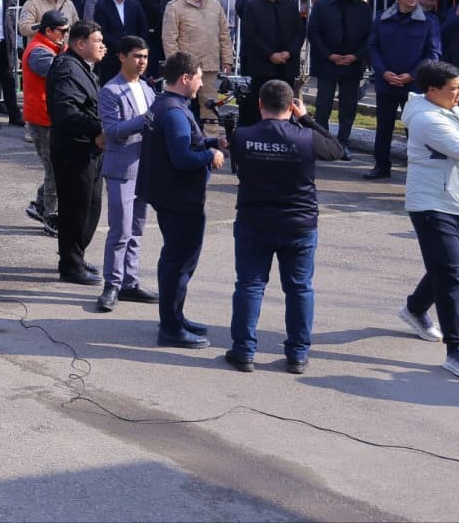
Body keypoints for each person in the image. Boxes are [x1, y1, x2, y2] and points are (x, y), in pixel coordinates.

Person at [225, 79, 344, 373]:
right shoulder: (306, 137)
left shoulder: (243, 135)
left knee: (250, 286)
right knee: (300, 289)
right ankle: (298, 354)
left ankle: (243, 351)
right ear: (292, 106)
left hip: (254, 221)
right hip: (298, 224)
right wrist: (306, 119)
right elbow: (336, 149)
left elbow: (237, 162)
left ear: (259, 104)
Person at [137, 51, 226, 348]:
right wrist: (210, 155)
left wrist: (212, 141)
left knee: (174, 260)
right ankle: (171, 327)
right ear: (185, 78)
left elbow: (181, 142)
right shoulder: (175, 112)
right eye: (198, 77)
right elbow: (182, 158)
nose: (201, 83)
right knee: (180, 263)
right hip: (180, 199)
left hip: (167, 195)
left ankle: (174, 316)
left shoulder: (163, 104)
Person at [394, 61, 459, 377]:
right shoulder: (427, 119)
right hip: (432, 206)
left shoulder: (451, 110)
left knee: (450, 269)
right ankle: (457, 350)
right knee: (450, 276)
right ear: (432, 90)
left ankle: (415, 309)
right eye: (454, 88)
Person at [96, 35, 157, 312]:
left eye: (145, 56)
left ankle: (130, 282)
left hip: (145, 168)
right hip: (122, 169)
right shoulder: (111, 90)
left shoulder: (147, 88)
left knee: (137, 229)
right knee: (120, 230)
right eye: (137, 56)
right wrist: (144, 120)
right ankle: (112, 284)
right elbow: (112, 131)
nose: (142, 62)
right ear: (122, 57)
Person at [363, 0, 443, 182]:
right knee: (384, 127)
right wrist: (383, 72)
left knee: (415, 130)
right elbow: (373, 47)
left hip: (415, 85)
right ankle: (381, 166)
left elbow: (433, 53)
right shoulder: (382, 18)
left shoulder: (429, 21)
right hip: (386, 82)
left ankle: (417, 170)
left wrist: (412, 75)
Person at [46, 21, 106, 285]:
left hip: (90, 149)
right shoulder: (67, 68)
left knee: (90, 207)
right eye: (97, 41)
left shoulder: (82, 67)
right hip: (74, 150)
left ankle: (76, 256)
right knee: (75, 209)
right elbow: (66, 112)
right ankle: (70, 265)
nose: (103, 46)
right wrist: (97, 129)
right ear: (80, 44)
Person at [306, 0, 372, 157]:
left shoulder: (362, 7)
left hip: (352, 64)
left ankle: (343, 143)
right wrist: (329, 55)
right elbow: (314, 33)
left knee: (348, 106)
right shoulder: (322, 6)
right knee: (323, 105)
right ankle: (323, 143)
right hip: (327, 63)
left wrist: (356, 56)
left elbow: (369, 36)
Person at [20, 10, 69, 235]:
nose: (65, 36)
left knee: (57, 168)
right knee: (55, 170)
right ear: (48, 31)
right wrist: (69, 53)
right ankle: (52, 216)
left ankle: (40, 205)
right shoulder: (39, 51)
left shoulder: (50, 47)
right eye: (62, 31)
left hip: (49, 116)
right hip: (42, 118)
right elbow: (60, 72)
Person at [163, 0, 233, 121]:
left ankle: (211, 135)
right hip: (185, 69)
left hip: (210, 66)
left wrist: (227, 59)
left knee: (211, 108)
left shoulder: (215, 5)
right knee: (182, 107)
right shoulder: (174, 7)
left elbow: (224, 35)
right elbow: (169, 39)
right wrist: (176, 65)